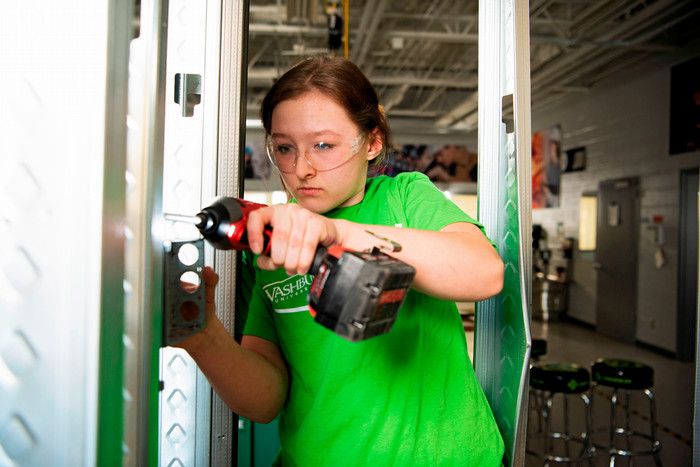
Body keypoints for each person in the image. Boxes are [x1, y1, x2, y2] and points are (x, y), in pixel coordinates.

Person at [176, 56, 505, 465]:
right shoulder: (269, 244)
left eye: (323, 145)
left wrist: (339, 234)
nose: (302, 169)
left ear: (372, 142)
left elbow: (484, 273)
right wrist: (201, 335)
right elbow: (264, 402)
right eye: (284, 148)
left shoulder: (403, 196)